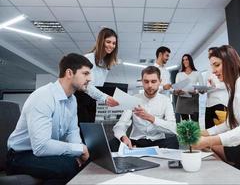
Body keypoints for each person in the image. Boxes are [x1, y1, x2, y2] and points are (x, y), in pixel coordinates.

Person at [6, 53, 92, 184]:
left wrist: (78, 152)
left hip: (44, 153)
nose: (90, 78)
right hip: (20, 156)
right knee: (68, 167)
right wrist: (78, 149)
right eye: (85, 74)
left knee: (86, 161)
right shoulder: (43, 97)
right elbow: (41, 146)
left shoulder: (72, 100)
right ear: (69, 73)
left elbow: (72, 131)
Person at [111, 66, 179, 151]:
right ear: (142, 82)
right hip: (137, 142)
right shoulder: (133, 99)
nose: (150, 85)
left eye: (153, 81)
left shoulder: (166, 101)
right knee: (114, 142)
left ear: (160, 82)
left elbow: (173, 127)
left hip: (159, 142)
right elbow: (120, 125)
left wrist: (150, 118)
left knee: (174, 141)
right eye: (146, 82)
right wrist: (123, 137)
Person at [76, 27, 119, 122]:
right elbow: (86, 85)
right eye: (108, 42)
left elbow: (98, 86)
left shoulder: (105, 64)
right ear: (101, 41)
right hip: (80, 100)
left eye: (114, 43)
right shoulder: (87, 59)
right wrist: (104, 97)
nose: (111, 45)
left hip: (92, 101)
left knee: (88, 131)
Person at [174, 54, 204, 122]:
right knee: (185, 125)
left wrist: (196, 91)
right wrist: (177, 91)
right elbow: (176, 89)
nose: (184, 61)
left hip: (193, 99)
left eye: (186, 59)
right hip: (182, 100)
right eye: (183, 60)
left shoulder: (197, 73)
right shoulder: (179, 74)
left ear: (190, 60)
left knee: (195, 123)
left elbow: (202, 88)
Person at [205, 47, 229, 128]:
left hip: (220, 102)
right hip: (209, 104)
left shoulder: (224, 68)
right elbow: (209, 85)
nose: (209, 56)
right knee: (208, 127)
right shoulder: (209, 70)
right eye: (208, 54)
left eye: (211, 54)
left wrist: (215, 86)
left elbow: (228, 84)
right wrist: (203, 90)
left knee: (223, 128)